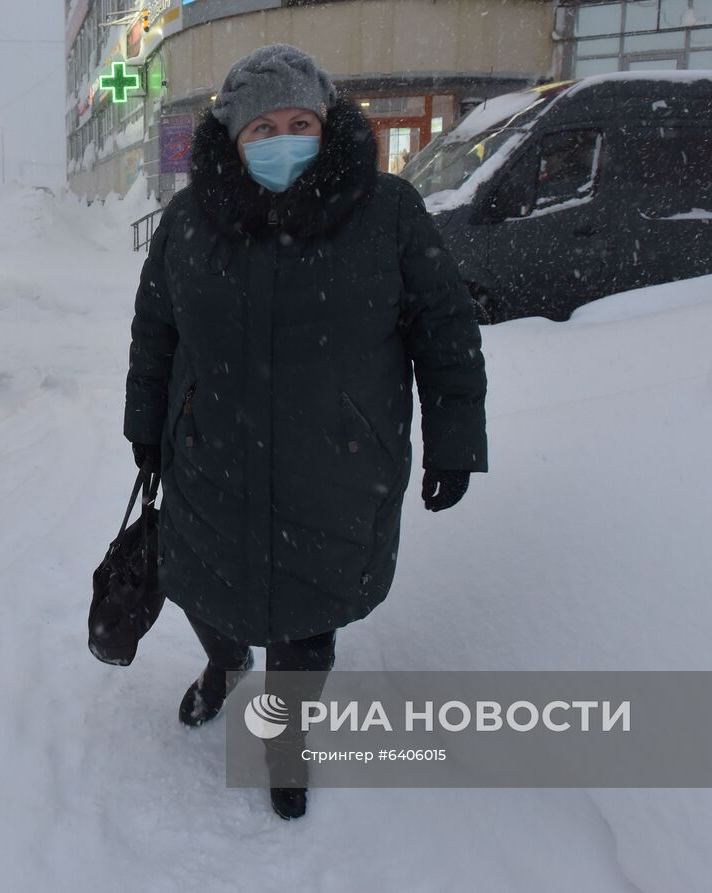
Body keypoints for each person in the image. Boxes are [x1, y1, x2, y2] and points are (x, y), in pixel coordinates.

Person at [123, 44, 487, 820]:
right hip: (210, 461)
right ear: (230, 136)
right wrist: (146, 429)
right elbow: (155, 330)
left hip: (339, 472)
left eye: (300, 122)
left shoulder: (387, 212)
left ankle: (286, 739)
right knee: (210, 597)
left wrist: (456, 441)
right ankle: (222, 669)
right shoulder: (188, 222)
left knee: (306, 623)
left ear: (326, 126)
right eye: (263, 127)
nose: (283, 139)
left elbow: (445, 327)